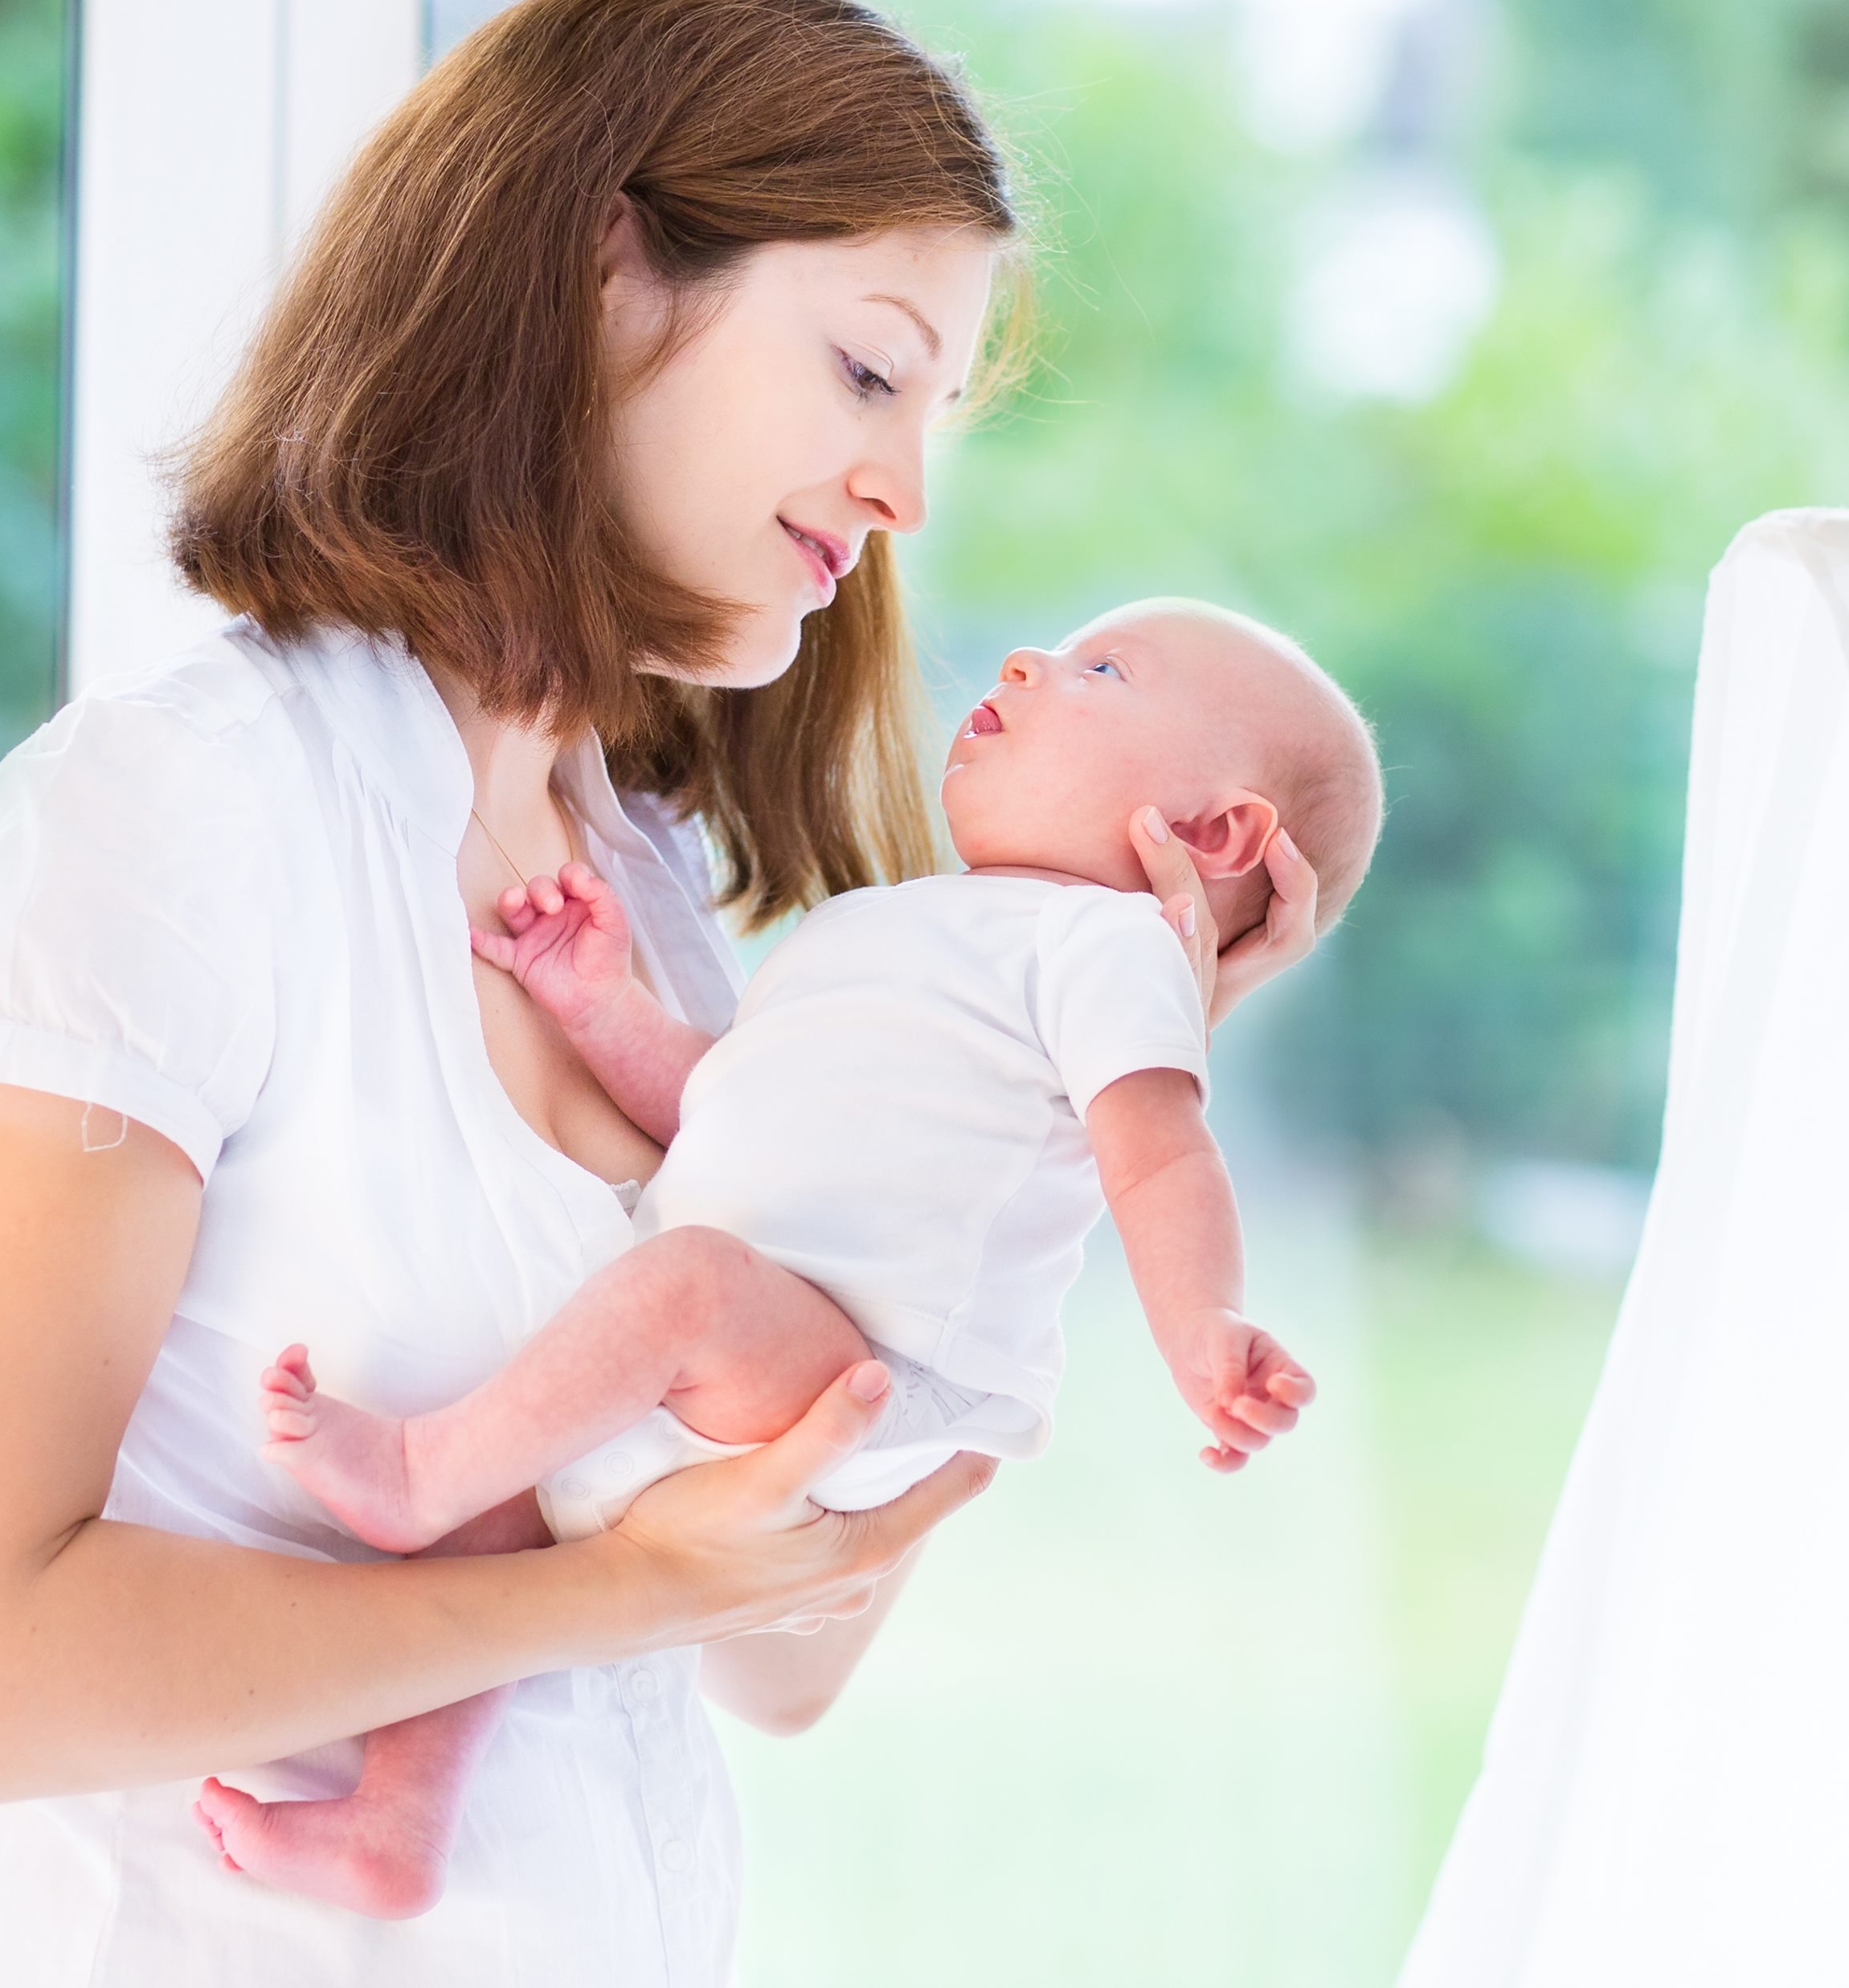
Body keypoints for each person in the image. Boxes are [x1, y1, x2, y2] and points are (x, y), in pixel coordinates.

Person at [0, 0, 1326, 1984]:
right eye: (869, 373)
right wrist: (601, 1593)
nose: (906, 492)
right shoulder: (183, 825)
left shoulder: (645, 889)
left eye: (934, 417)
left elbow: (783, 1657)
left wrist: (1077, 1101)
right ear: (608, 271)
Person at [218, 600, 1386, 1912]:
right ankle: (394, 1825)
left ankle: (410, 1476)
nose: (1025, 660)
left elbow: (1161, 1157)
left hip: (877, 1366)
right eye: (1053, 648)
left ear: (1213, 835)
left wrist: (1202, 1324)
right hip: (763, 1340)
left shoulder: (1103, 945)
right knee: (508, 1500)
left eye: (1102, 669)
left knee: (661, 1303)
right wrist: (601, 1008)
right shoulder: (883, 926)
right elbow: (733, 1107)